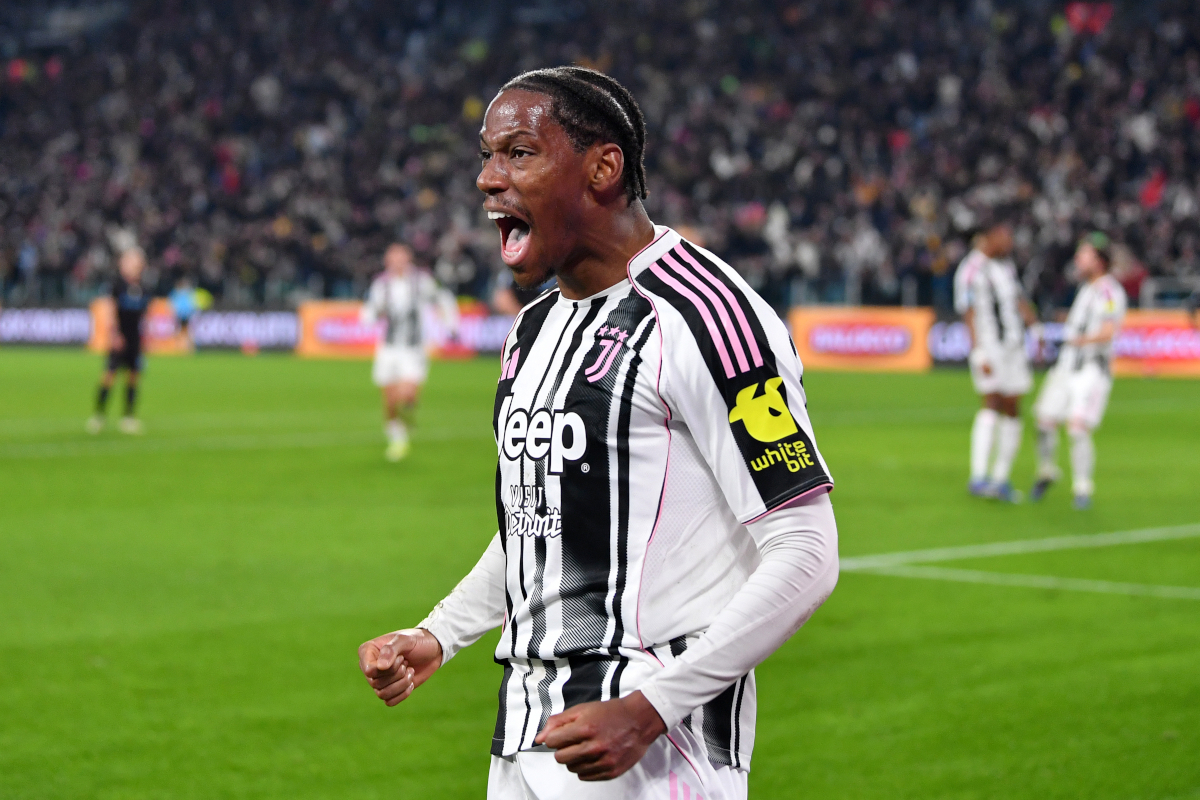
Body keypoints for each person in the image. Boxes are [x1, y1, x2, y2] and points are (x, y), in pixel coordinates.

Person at [357, 67, 839, 800]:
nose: (489, 179)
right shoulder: (533, 328)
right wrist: (440, 634)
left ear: (603, 168)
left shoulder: (706, 318)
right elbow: (541, 525)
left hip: (652, 742)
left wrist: (651, 708)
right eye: (486, 156)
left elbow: (807, 550)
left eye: (518, 153)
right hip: (527, 726)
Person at [1031, 233, 1127, 509]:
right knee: (1044, 420)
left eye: (1083, 255)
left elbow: (1108, 332)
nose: (1077, 260)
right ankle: (1047, 470)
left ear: (1099, 261)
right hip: (1066, 367)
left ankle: (1083, 487)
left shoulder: (1109, 291)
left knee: (1077, 427)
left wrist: (1077, 339)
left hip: (1090, 369)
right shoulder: (1086, 289)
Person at [953, 217, 1038, 502]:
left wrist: (1034, 328)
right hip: (990, 346)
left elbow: (1018, 300)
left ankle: (1001, 478)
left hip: (1013, 346)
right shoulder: (970, 269)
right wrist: (976, 351)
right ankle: (978, 476)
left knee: (1013, 406)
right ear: (989, 236)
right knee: (991, 400)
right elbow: (967, 311)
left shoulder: (1006, 267)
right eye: (1004, 235)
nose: (1009, 242)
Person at [360, 242, 459, 462]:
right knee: (390, 399)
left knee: (407, 394)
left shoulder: (422, 281)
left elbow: (442, 299)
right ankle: (397, 438)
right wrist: (370, 317)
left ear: (408, 259)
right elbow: (370, 311)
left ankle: (403, 427)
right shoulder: (381, 285)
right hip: (388, 348)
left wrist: (451, 325)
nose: (396, 262)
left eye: (400, 258)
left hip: (413, 349)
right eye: (392, 258)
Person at [87, 248, 151, 435]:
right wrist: (115, 335)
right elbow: (111, 312)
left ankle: (128, 417)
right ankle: (98, 416)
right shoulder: (117, 285)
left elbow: (144, 316)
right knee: (109, 376)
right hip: (120, 337)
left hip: (135, 339)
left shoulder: (144, 287)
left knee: (133, 377)